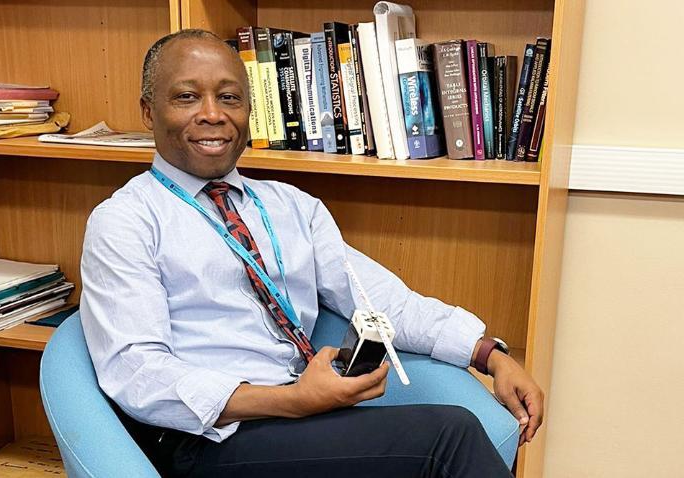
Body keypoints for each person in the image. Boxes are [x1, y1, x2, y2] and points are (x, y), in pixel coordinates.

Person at [80, 29, 543, 478]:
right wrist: (292, 401)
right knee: (450, 437)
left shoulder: (292, 206)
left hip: (298, 416)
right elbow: (137, 370)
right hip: (207, 436)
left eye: (230, 97)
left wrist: (489, 356)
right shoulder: (124, 221)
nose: (213, 114)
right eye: (186, 97)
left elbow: (380, 299)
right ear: (148, 110)